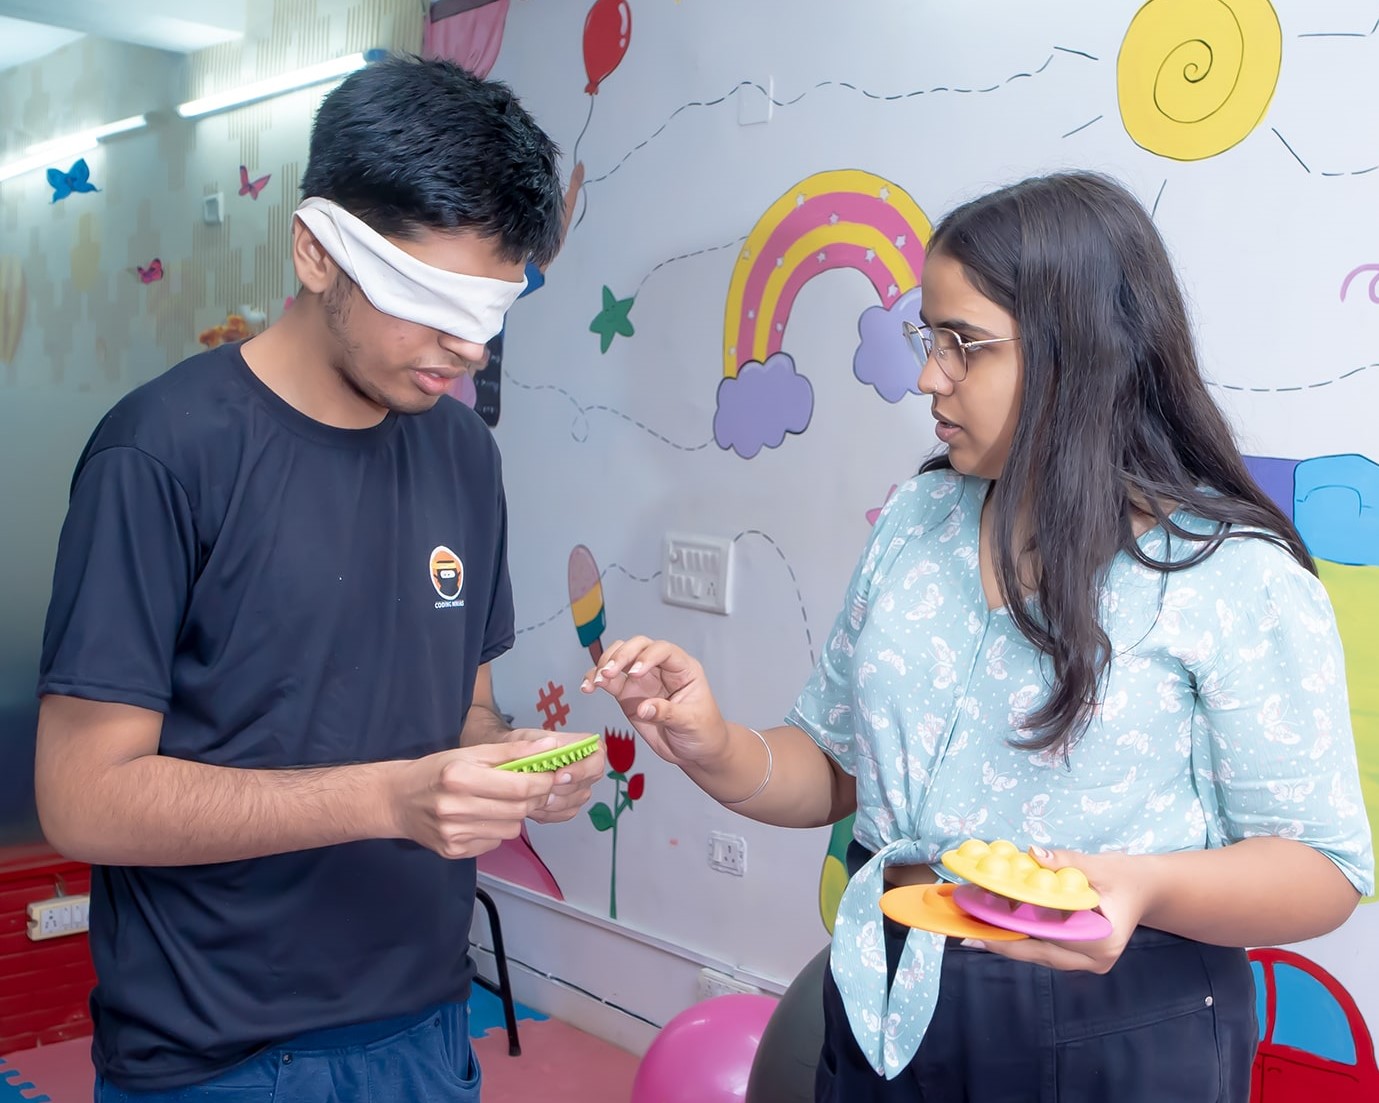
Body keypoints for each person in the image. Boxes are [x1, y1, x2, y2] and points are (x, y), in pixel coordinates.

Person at [584, 171, 1373, 1101]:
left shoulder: (1231, 574)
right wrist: (711, 742)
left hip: (1114, 1021)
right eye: (931, 338)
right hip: (888, 992)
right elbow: (834, 766)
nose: (928, 375)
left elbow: (1323, 867)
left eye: (964, 345)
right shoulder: (921, 517)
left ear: (1086, 352)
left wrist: (1138, 888)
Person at [34, 56, 603, 1099]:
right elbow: (82, 797)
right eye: (430, 302)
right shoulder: (162, 453)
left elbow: (464, 708)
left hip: (428, 1022)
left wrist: (518, 764)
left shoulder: (464, 454)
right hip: (218, 1053)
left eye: (492, 311)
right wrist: (389, 797)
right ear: (315, 250)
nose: (465, 351)